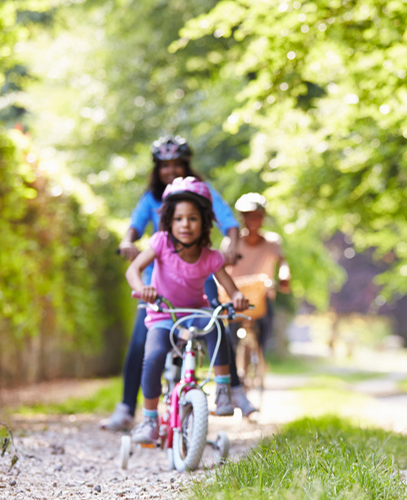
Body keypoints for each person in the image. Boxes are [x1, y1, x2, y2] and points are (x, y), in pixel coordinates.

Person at [101, 136, 255, 432]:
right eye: (164, 166)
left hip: (198, 278)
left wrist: (232, 249)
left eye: (177, 165)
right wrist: (126, 242)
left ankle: (231, 389)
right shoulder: (152, 204)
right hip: (157, 290)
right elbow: (133, 228)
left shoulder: (203, 194)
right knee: (142, 346)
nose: (170, 170)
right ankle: (129, 410)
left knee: (215, 320)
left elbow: (229, 223)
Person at [125, 177, 250, 444]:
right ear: (169, 220)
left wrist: (238, 297)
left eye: (193, 218)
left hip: (195, 311)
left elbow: (231, 287)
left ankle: (223, 390)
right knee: (155, 355)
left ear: (204, 222)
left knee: (217, 325)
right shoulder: (160, 243)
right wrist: (142, 288)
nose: (185, 224)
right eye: (179, 218)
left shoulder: (210, 256)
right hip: (163, 313)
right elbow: (133, 269)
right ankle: (149, 419)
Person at [223, 193, 291, 353]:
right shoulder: (231, 242)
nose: (253, 220)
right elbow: (220, 266)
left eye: (257, 216)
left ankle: (260, 355)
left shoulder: (272, 242)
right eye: (248, 216)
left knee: (267, 321)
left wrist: (284, 276)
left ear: (263, 217)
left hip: (261, 294)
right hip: (236, 294)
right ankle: (234, 361)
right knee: (231, 333)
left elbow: (282, 262)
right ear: (242, 218)